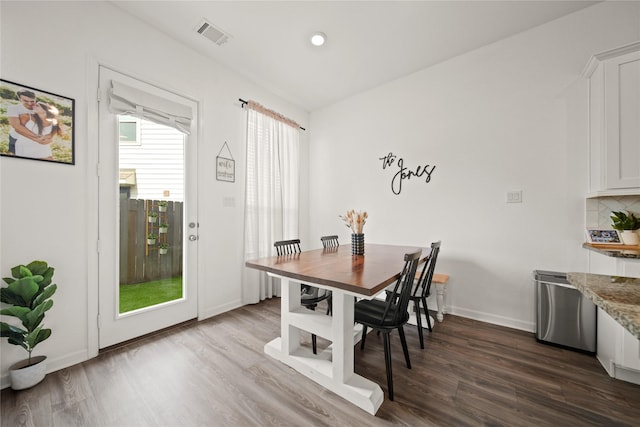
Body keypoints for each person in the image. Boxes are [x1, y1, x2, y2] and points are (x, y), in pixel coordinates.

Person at [6, 89, 39, 155]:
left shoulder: (39, 109)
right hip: (16, 138)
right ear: (20, 99)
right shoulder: (13, 108)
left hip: (34, 140)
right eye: (25, 101)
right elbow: (16, 126)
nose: (29, 104)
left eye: (32, 101)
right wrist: (36, 136)